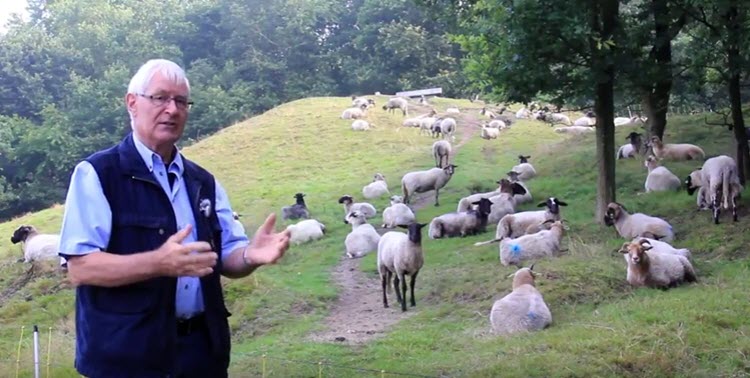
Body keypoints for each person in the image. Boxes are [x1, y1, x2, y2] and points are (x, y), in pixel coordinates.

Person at [58, 58, 291, 378]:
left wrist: (251, 255)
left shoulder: (202, 181)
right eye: (160, 98)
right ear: (132, 103)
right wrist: (159, 263)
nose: (172, 109)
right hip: (126, 360)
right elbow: (81, 268)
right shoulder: (98, 174)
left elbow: (225, 258)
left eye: (181, 101)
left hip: (200, 356)